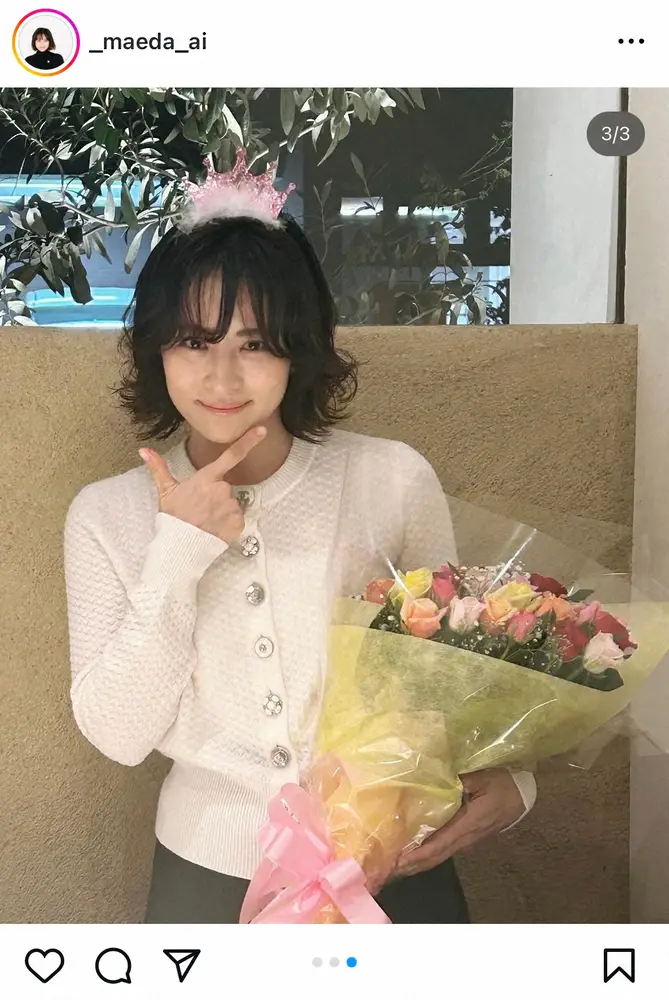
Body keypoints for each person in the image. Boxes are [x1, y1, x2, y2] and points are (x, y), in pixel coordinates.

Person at [63, 149, 537, 924]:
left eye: (254, 343)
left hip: (387, 858)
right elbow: (118, 734)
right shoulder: (105, 514)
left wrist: (516, 783)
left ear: (299, 347)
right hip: (207, 879)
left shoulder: (389, 478)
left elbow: (455, 676)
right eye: (193, 341)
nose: (222, 378)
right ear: (155, 348)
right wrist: (177, 550)